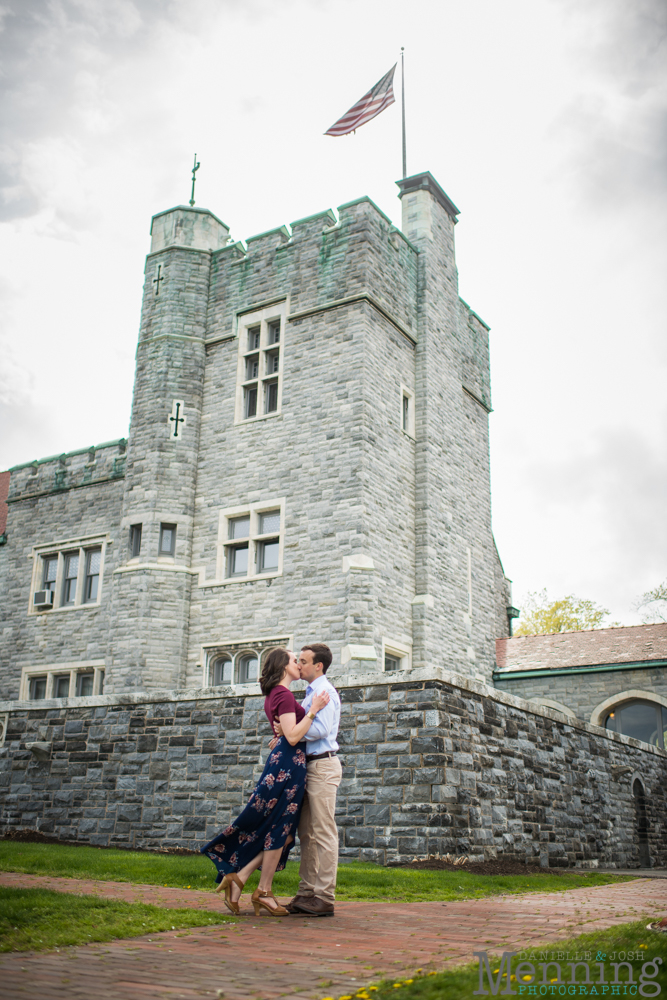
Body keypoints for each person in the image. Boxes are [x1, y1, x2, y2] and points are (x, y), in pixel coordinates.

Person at [200, 647, 330, 917]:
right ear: (284, 666)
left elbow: (287, 733)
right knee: (279, 830)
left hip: (286, 764)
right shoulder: (282, 694)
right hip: (288, 768)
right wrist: (314, 710)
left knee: (283, 833)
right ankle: (262, 891)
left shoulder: (276, 694)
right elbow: (294, 737)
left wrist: (285, 733)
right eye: (295, 660)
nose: (298, 664)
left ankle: (242, 879)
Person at [280, 643, 342, 917]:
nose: (299, 665)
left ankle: (324, 897)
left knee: (324, 832)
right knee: (306, 833)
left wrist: (291, 730)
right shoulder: (310, 694)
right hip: (309, 768)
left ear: (319, 665)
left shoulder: (324, 692)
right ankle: (306, 893)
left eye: (304, 661)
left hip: (323, 766)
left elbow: (321, 729)